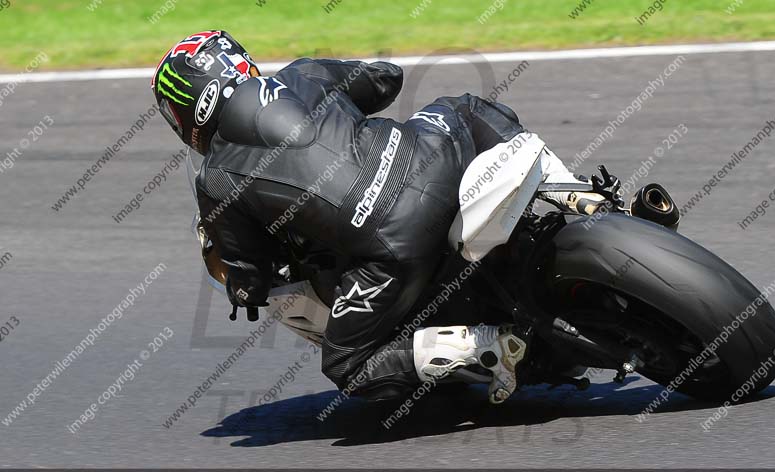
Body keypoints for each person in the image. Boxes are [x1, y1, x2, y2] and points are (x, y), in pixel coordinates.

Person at [152, 31, 605, 404]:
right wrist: (340, 105)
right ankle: (575, 190)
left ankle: (485, 346)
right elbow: (387, 79)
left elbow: (252, 276)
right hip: (437, 158)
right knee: (464, 106)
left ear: (186, 111)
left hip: (394, 246)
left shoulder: (214, 180)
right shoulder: (302, 73)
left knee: (347, 365)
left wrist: (241, 287)